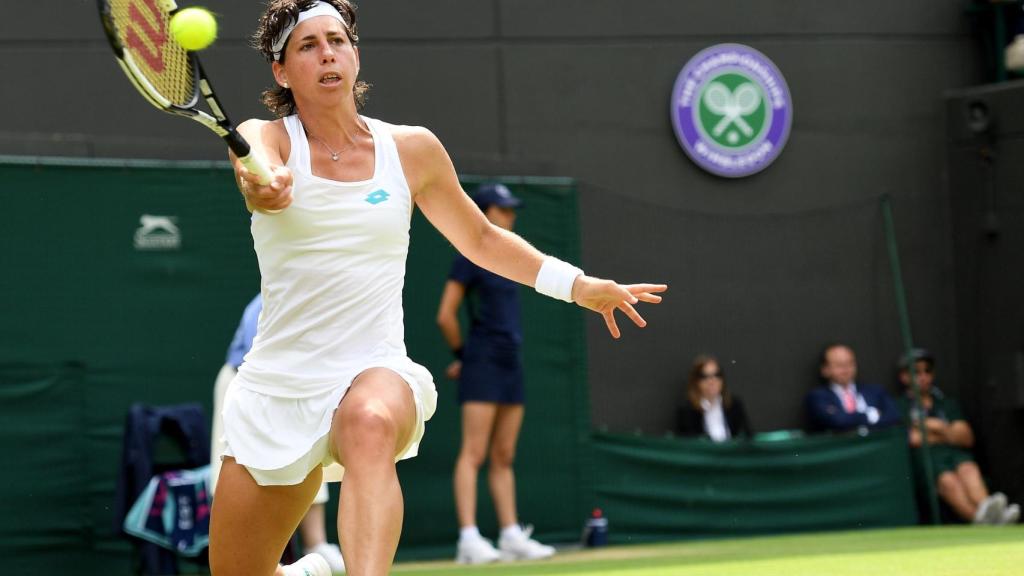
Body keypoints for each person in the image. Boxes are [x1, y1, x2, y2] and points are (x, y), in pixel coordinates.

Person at [212, 2, 668, 576]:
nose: (328, 52)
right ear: (281, 71)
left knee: (370, 422)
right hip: (278, 385)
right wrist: (266, 185)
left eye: (338, 40)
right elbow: (256, 172)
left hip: (371, 368)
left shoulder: (412, 150)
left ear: (355, 54)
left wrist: (577, 286)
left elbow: (481, 237)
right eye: (308, 45)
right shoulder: (264, 138)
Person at [435, 183, 554, 564]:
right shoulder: (469, 255)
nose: (511, 216)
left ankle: (509, 535)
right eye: (504, 210)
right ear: (485, 211)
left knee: (504, 455)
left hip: (510, 362)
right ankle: (468, 539)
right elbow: (445, 315)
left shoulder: (509, 257)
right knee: (474, 452)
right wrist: (464, 355)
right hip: (483, 360)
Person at [210, 294, 346, 574]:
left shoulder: (326, 299)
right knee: (233, 471)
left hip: (297, 385)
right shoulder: (268, 301)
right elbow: (257, 358)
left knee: (306, 456)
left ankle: (315, 543)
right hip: (249, 385)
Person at [895, 348, 1019, 525]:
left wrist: (935, 426)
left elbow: (966, 437)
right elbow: (913, 439)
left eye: (927, 371)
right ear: (905, 377)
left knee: (968, 468)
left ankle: (991, 512)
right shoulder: (901, 406)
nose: (923, 377)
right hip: (928, 461)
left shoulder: (945, 403)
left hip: (954, 455)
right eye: (916, 372)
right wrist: (948, 432)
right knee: (948, 480)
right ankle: (980, 520)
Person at [805, 344, 901, 432]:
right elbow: (837, 421)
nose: (846, 369)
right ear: (825, 370)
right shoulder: (818, 397)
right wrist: (870, 415)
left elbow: (893, 416)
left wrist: (853, 420)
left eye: (850, 363)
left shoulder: (875, 391)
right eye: (839, 365)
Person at [675, 355, 751, 441]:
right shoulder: (687, 411)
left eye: (717, 375)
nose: (712, 381)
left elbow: (747, 438)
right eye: (705, 376)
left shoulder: (734, 405)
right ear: (696, 381)